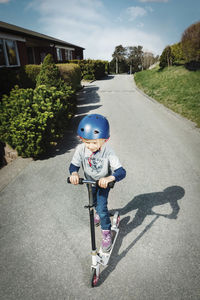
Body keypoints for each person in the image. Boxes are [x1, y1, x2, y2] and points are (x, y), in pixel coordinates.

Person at [69, 114, 126, 252]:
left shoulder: (108, 152)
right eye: (87, 142)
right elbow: (73, 165)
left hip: (102, 183)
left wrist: (109, 178)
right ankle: (97, 214)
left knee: (101, 208)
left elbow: (121, 171)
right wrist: (74, 173)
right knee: (92, 201)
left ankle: (106, 233)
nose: (90, 146)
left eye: (95, 142)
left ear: (105, 139)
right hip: (89, 182)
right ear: (82, 139)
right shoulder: (81, 149)